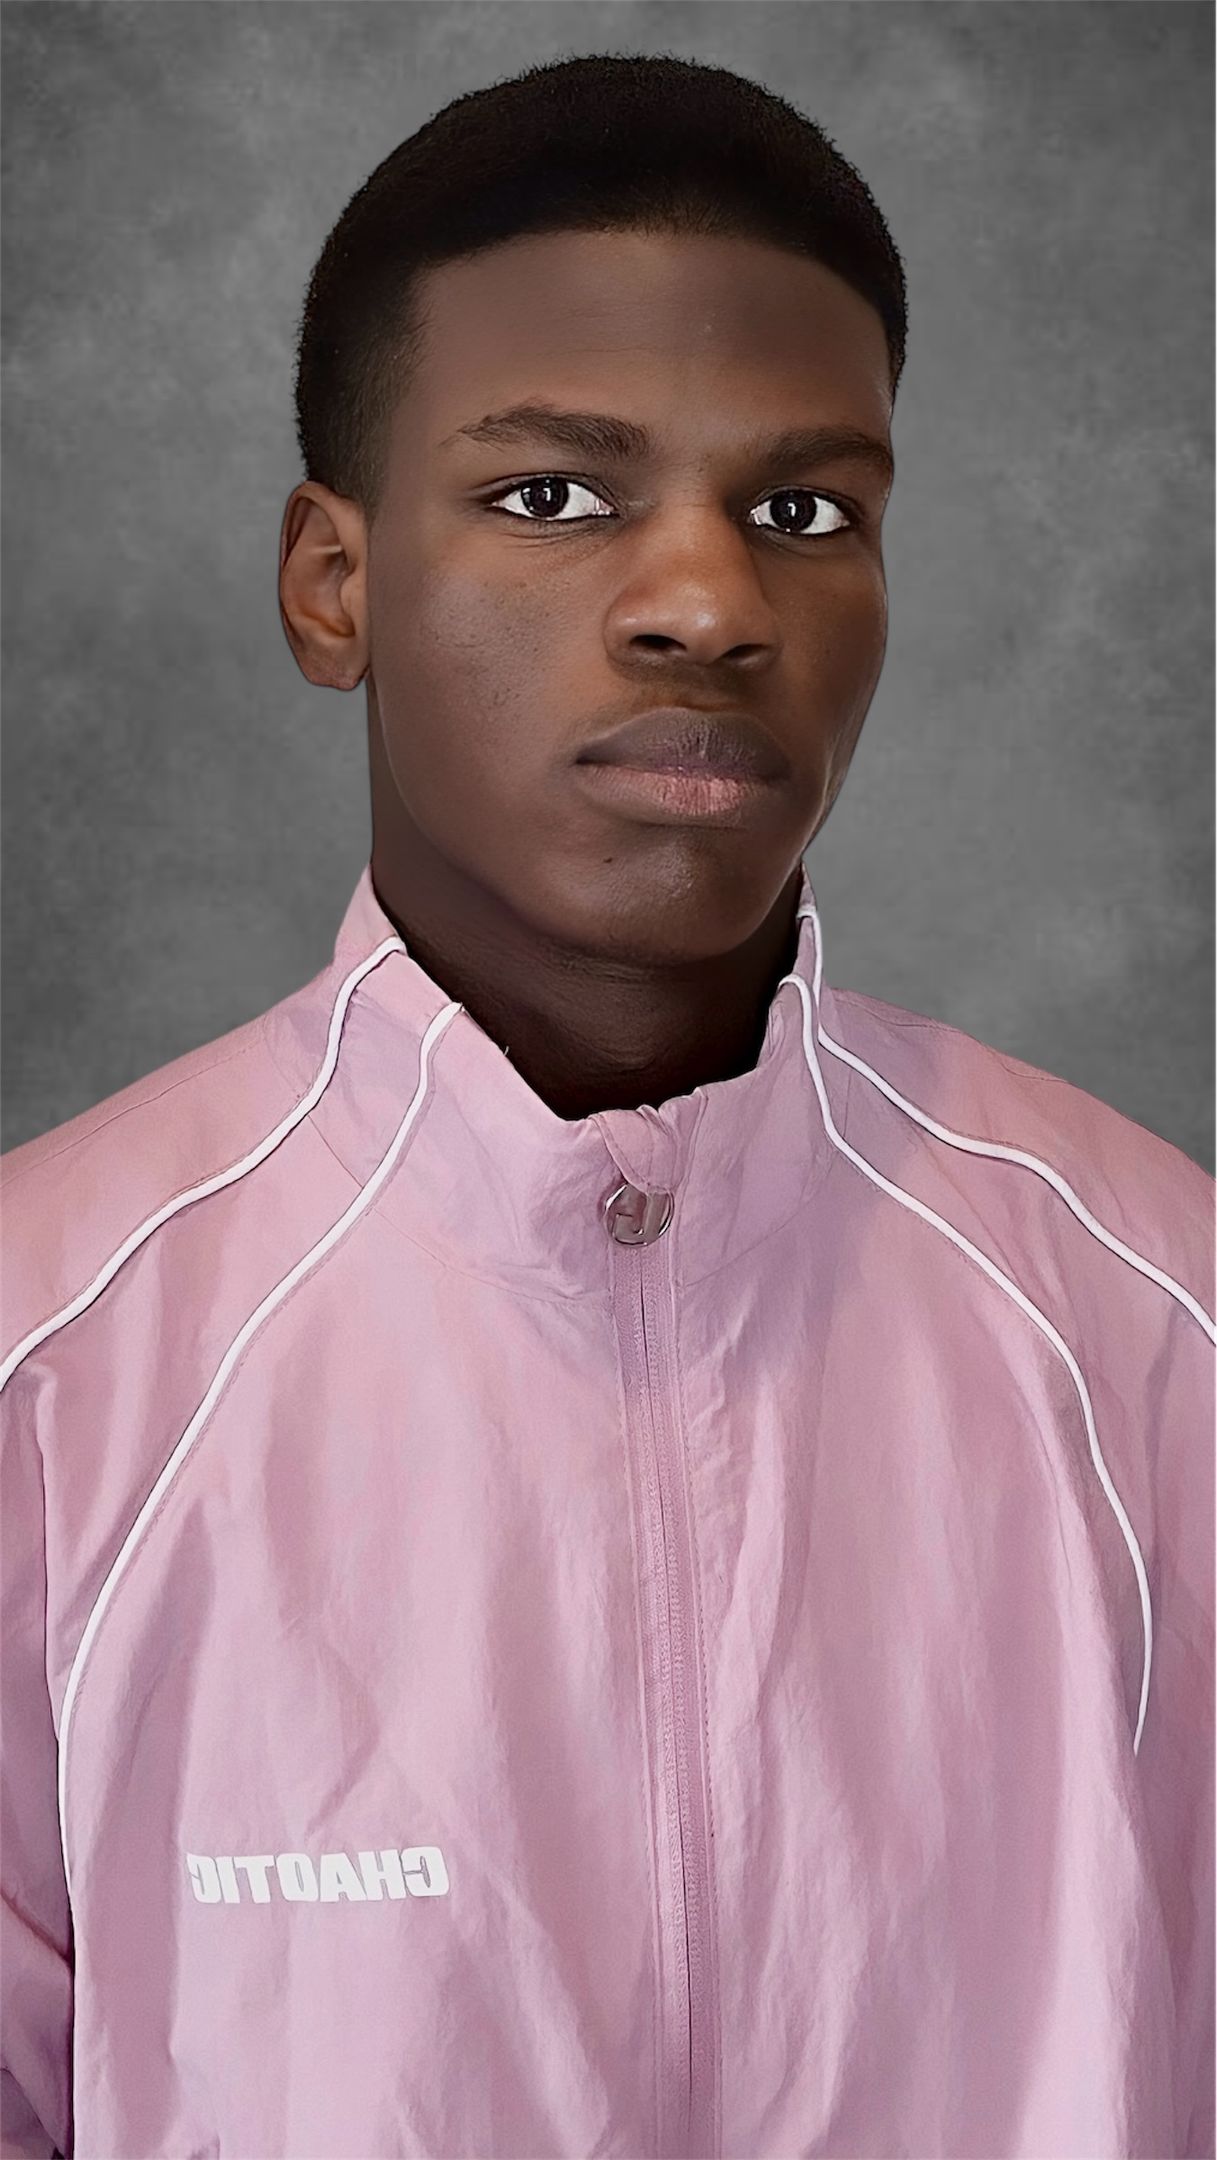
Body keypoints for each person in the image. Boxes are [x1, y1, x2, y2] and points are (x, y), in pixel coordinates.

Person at [1, 48, 1212, 2160]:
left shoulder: (1160, 1326)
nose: (711, 605)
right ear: (333, 584)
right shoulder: (46, 1361)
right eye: (555, 496)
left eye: (804, 512)